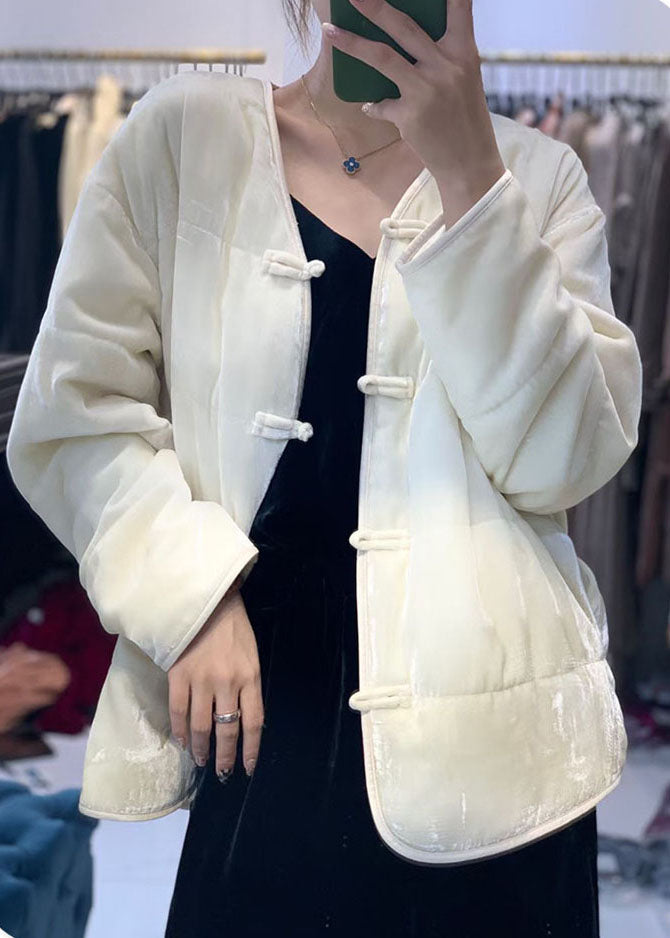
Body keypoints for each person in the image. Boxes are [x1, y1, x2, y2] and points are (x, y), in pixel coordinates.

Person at [163, 1, 605, 935]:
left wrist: (473, 179)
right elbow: (82, 415)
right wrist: (188, 594)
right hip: (263, 707)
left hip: (500, 737)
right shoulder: (185, 140)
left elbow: (565, 464)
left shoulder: (539, 177)